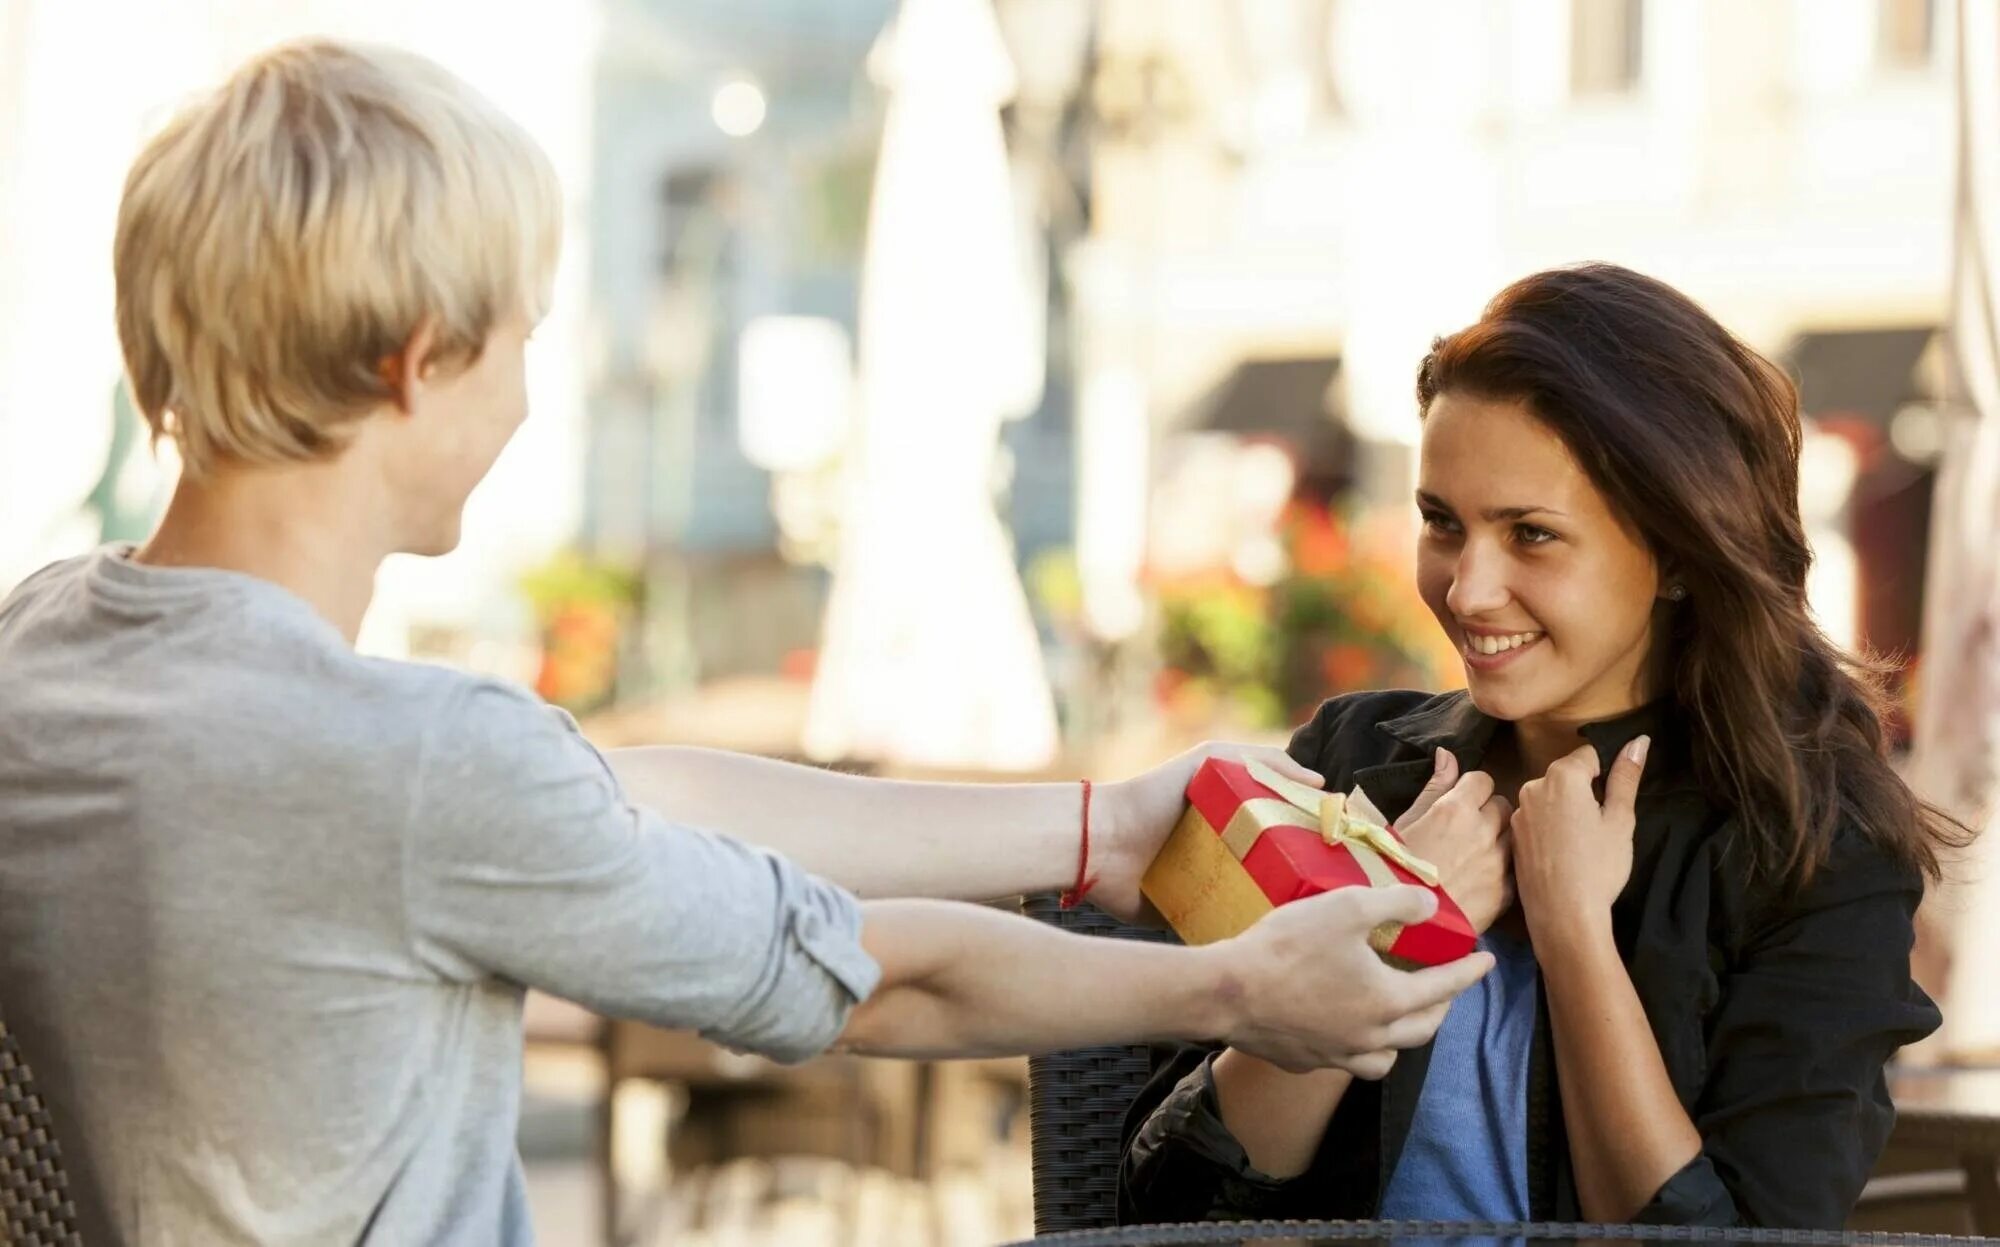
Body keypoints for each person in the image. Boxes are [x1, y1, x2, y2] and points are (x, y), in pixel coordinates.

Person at [0, 39, 1495, 1246]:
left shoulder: (44, 653)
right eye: (524, 333)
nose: (530, 386)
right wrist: (1236, 990)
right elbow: (881, 984)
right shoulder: (416, 769)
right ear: (418, 361)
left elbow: (602, 796)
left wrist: (1099, 823)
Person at [1119, 264, 1965, 1229]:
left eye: (1531, 534)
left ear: (1680, 554)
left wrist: (1576, 939)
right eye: (1443, 522)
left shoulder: (1814, 850)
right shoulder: (1349, 763)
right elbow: (1166, 1210)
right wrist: (1392, 937)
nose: (1468, 590)